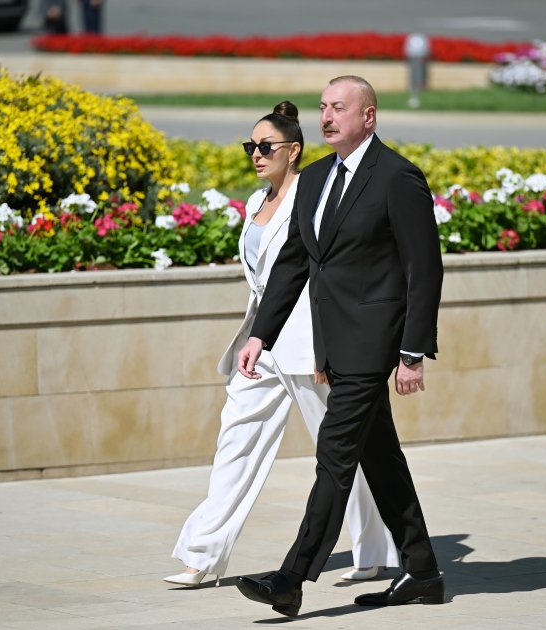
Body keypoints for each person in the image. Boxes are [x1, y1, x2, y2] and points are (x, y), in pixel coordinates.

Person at [164, 100, 399, 589]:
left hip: (310, 343)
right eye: (250, 145)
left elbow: (313, 274)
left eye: (265, 145)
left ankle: (374, 549)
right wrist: (256, 335)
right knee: (235, 444)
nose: (255, 153)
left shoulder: (312, 196)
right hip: (260, 344)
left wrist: (323, 353)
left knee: (338, 452)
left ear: (293, 151)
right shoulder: (254, 203)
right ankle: (201, 556)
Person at [234, 76, 445, 617]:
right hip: (334, 343)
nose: (327, 117)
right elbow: (295, 262)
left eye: (339, 108)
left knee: (334, 459)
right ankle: (422, 572)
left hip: (374, 346)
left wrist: (412, 352)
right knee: (382, 459)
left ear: (368, 117)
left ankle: (291, 577)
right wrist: (262, 333)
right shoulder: (316, 178)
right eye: (323, 108)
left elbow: (425, 270)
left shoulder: (398, 177)